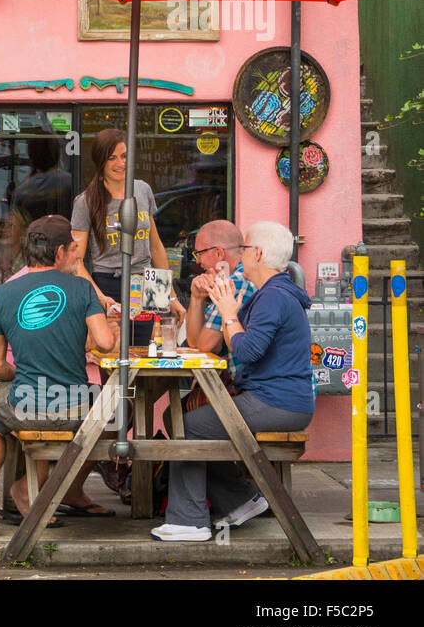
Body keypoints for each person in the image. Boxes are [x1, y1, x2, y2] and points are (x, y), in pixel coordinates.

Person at [0, 216, 116, 534]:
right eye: (73, 250)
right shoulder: (83, 288)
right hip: (76, 409)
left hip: (25, 406)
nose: (75, 256)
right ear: (59, 252)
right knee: (115, 408)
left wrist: (19, 374)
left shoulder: (1, 295)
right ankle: (33, 487)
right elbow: (104, 342)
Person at [152, 221, 315, 542]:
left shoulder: (273, 297)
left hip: (278, 403)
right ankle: (240, 500)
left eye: (245, 248)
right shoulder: (273, 292)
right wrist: (226, 312)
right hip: (278, 399)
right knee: (198, 421)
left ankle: (190, 522)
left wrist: (228, 314)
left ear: (258, 253)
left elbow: (249, 351)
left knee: (190, 425)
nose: (239, 254)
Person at [70, 128, 184, 347]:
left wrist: (172, 297)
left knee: (150, 355)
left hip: (149, 283)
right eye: (112, 157)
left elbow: (156, 247)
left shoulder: (142, 190)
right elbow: (76, 262)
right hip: (108, 284)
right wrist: (99, 297)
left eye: (124, 156)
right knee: (112, 356)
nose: (121, 163)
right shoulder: (85, 201)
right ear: (100, 161)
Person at [184, 219, 258, 362]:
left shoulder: (236, 281)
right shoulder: (229, 278)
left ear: (219, 253)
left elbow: (208, 346)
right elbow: (194, 343)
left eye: (199, 253)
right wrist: (197, 298)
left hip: (240, 380)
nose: (198, 261)